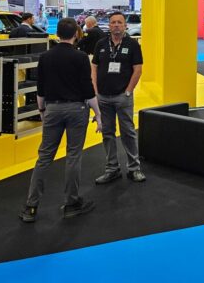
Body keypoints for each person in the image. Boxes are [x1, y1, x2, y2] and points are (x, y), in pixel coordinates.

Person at [19, 17, 102, 223]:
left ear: (57, 34)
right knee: (73, 156)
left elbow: (40, 89)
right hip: (76, 109)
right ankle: (71, 203)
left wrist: (41, 110)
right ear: (76, 34)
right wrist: (98, 114)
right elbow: (88, 89)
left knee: (44, 157)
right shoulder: (81, 57)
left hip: (52, 109)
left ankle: (31, 206)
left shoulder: (45, 57)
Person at [92, 11, 145, 184]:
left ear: (125, 25)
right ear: (109, 25)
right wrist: (95, 91)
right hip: (103, 97)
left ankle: (134, 168)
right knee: (107, 133)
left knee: (128, 132)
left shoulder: (133, 44)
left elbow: (138, 69)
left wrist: (128, 91)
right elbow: (94, 67)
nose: (116, 25)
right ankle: (112, 169)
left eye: (119, 22)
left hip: (123, 96)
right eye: (113, 22)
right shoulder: (101, 44)